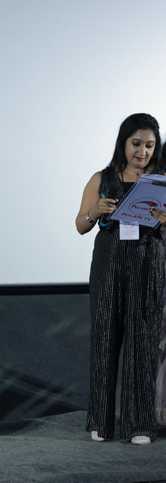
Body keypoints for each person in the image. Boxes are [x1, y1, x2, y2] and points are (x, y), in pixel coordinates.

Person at [76, 112, 166, 445]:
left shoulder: (162, 180)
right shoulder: (101, 178)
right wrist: (95, 212)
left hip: (148, 263)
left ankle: (139, 425)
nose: (142, 152)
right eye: (136, 144)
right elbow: (80, 225)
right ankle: (101, 421)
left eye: (149, 145)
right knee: (105, 337)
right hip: (109, 262)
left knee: (143, 340)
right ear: (123, 142)